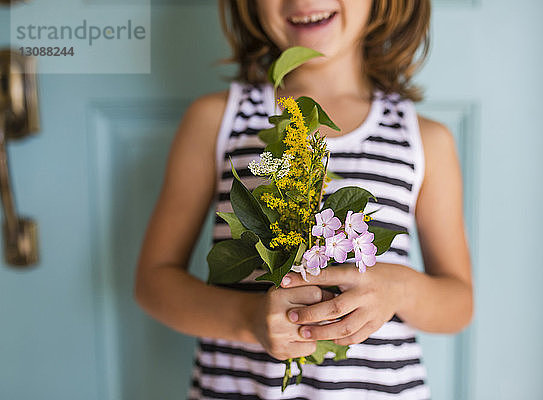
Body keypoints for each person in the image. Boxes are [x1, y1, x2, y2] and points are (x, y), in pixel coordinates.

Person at [134, 0, 473, 399]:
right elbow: (154, 282)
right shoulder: (218, 121)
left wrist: (398, 288)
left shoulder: (423, 141)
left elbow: (459, 303)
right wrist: (250, 319)